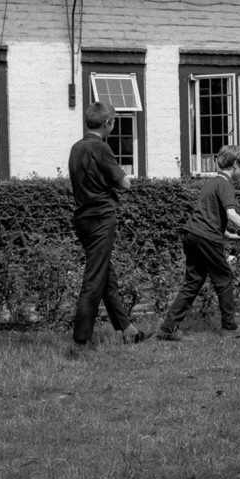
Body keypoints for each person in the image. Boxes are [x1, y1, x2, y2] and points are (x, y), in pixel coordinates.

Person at [157, 145, 240, 341]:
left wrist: (228, 234)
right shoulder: (226, 184)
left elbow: (207, 216)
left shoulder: (211, 182)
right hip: (206, 238)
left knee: (193, 282)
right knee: (224, 278)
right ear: (235, 164)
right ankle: (229, 327)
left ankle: (168, 328)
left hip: (192, 235)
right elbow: (231, 214)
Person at [68, 101, 147, 354]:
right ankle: (81, 342)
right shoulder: (101, 149)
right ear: (108, 123)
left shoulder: (75, 148)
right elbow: (125, 184)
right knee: (94, 278)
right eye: (114, 122)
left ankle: (128, 330)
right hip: (102, 217)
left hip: (82, 218)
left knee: (105, 276)